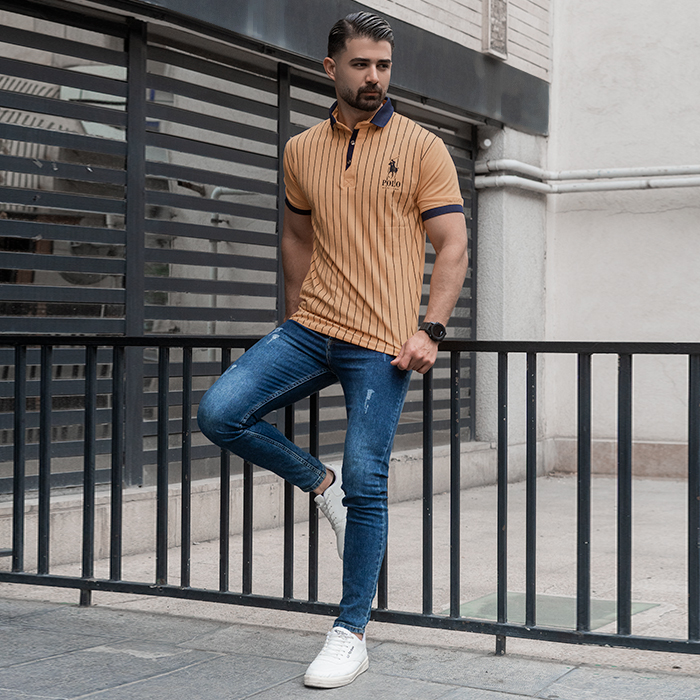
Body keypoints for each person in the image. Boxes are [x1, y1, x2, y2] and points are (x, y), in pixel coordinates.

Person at [197, 11, 468, 689]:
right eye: (361, 64)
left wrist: (431, 329)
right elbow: (296, 237)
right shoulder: (300, 150)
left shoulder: (423, 147)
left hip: (381, 344)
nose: (374, 76)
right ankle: (322, 485)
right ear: (330, 68)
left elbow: (453, 245)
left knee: (368, 477)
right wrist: (293, 318)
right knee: (220, 413)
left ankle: (350, 633)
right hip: (310, 328)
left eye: (383, 65)